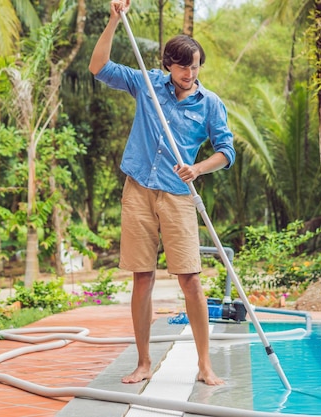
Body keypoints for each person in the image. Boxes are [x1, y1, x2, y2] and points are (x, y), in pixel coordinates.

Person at [89, 0, 235, 386]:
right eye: (184, 66)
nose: (191, 73)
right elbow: (99, 67)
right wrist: (113, 19)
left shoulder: (211, 104)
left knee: (191, 280)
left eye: (196, 66)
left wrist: (198, 168)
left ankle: (205, 365)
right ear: (169, 64)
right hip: (138, 188)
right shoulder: (148, 83)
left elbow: (227, 152)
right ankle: (142, 363)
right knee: (142, 277)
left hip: (177, 194)